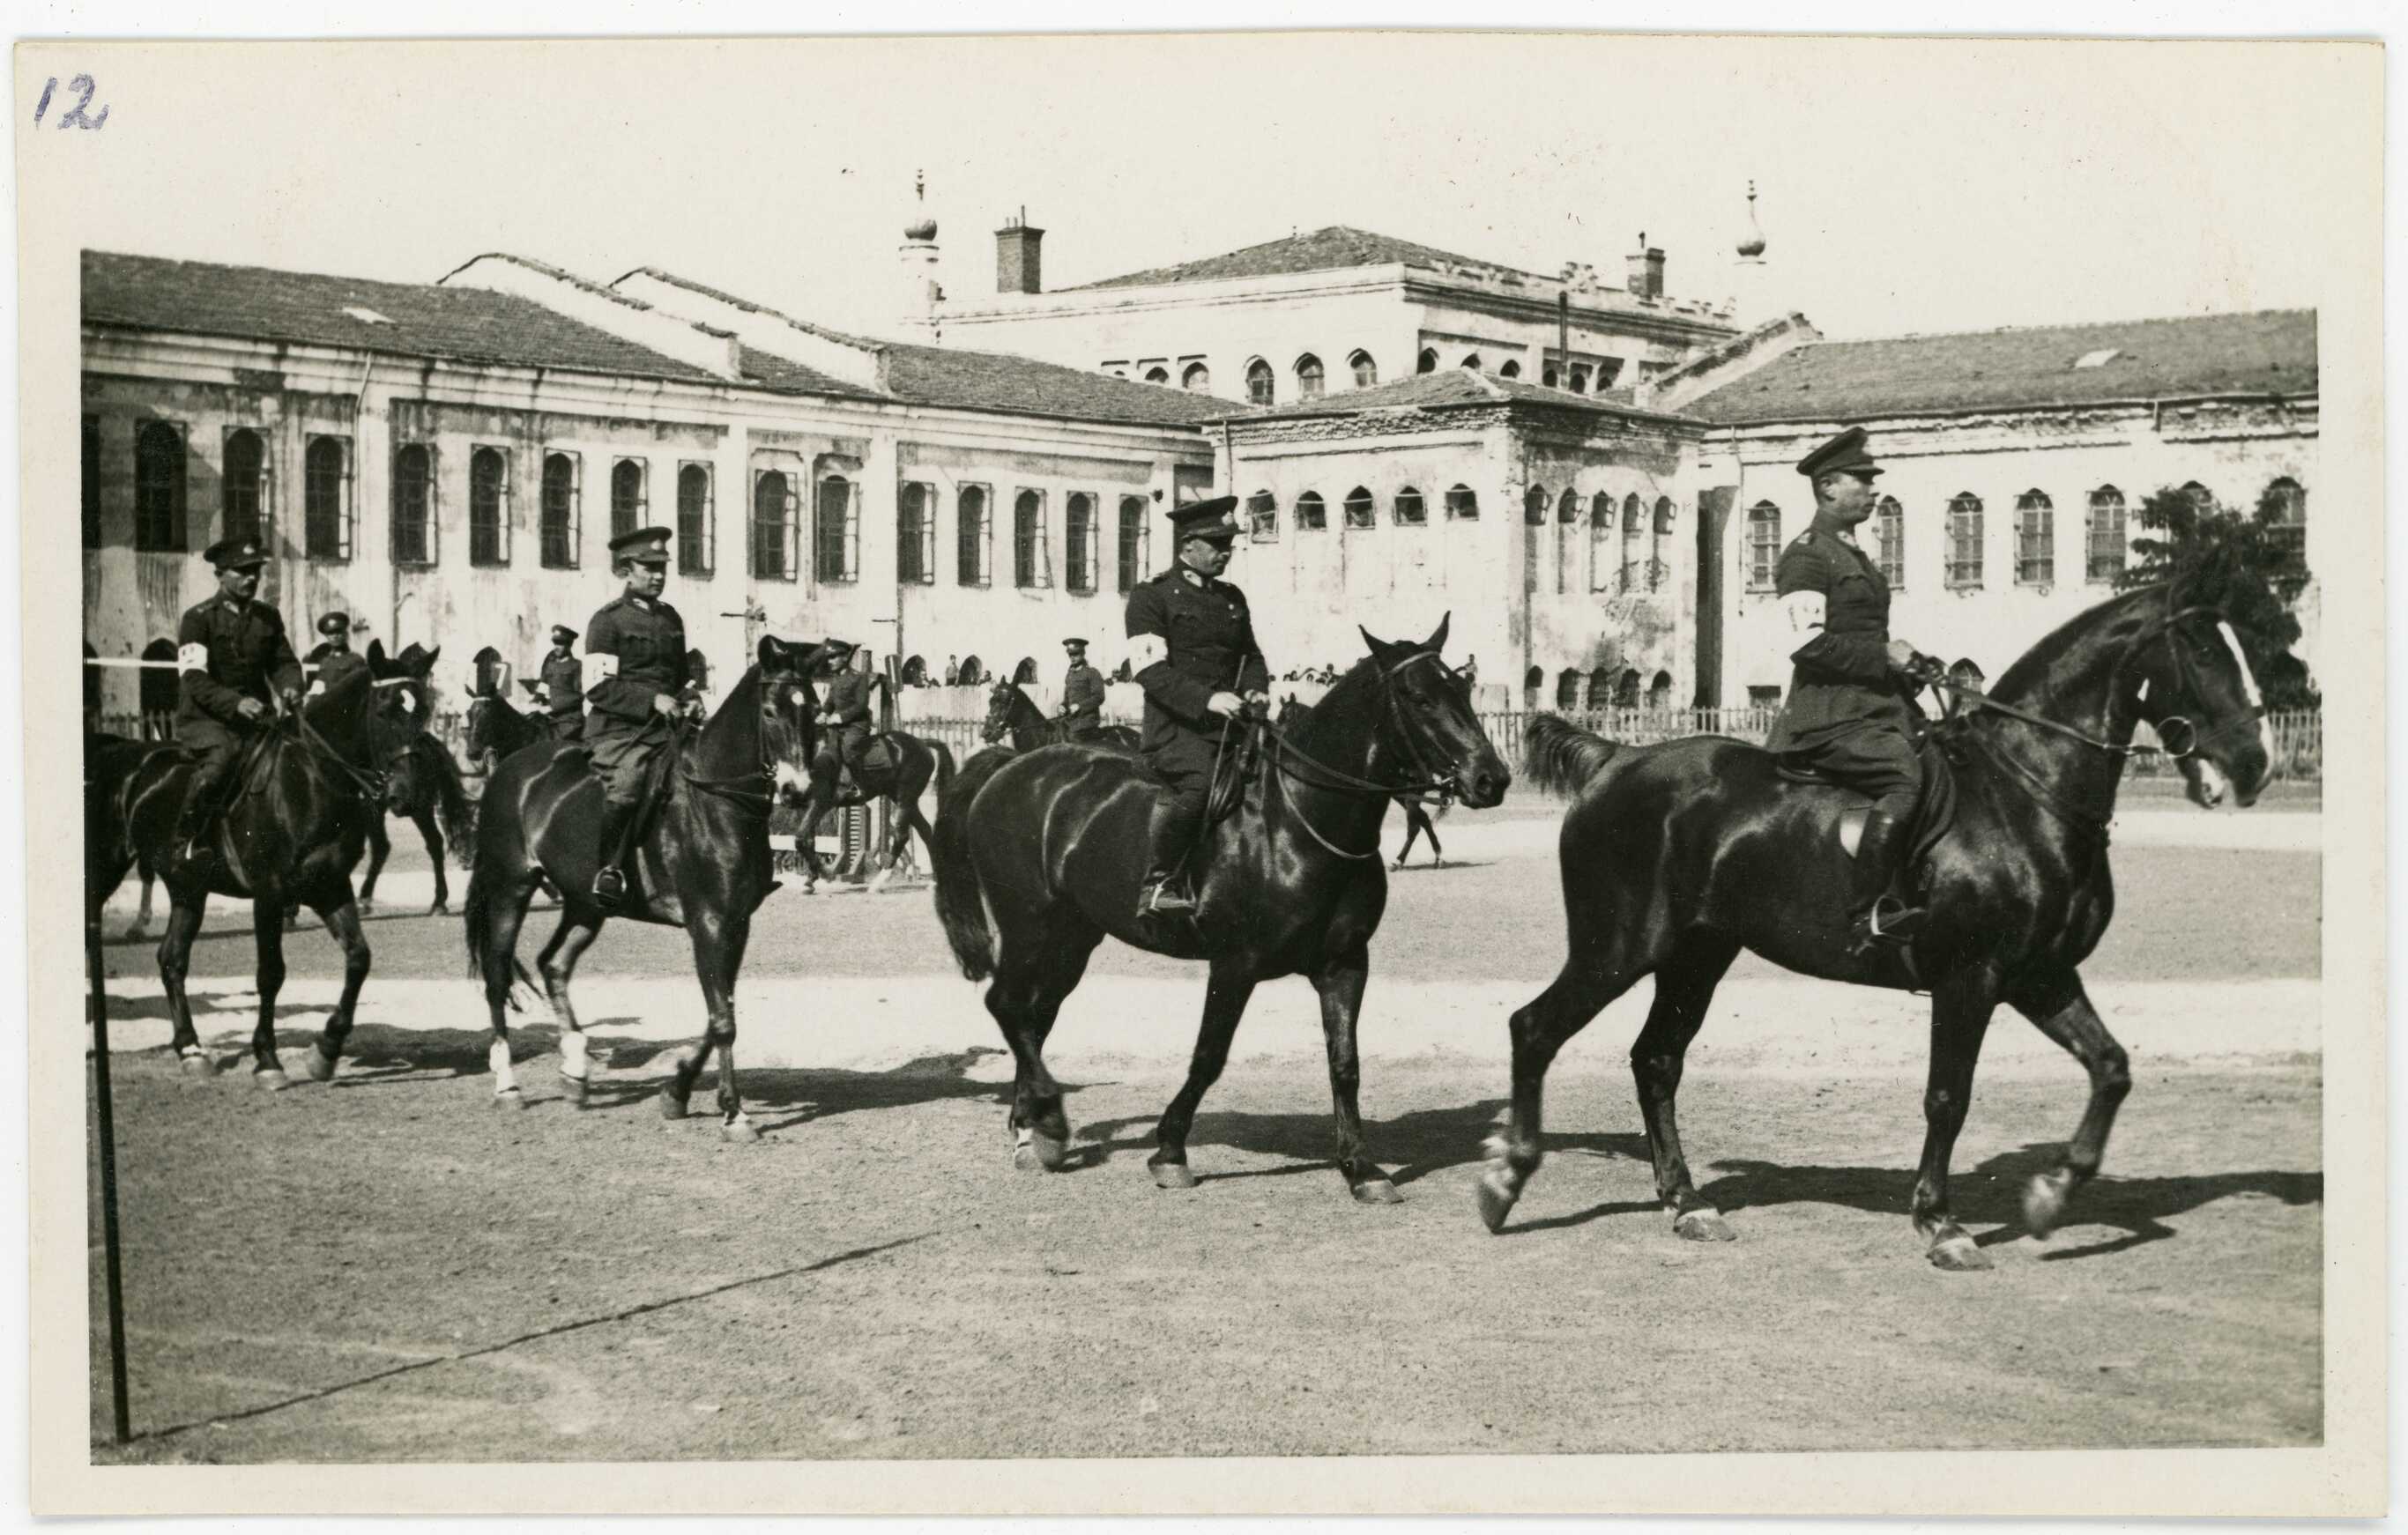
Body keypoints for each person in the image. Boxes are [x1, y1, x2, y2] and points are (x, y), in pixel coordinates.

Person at [1762, 426, 1939, 952]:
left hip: (1875, 708)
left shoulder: (1852, 553)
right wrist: (1884, 656)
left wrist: (1911, 667)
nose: (1872, 488)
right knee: (1904, 778)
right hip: (1829, 717)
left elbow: (1863, 637)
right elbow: (1807, 645)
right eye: (1860, 479)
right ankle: (1867, 916)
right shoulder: (1807, 556)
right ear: (1827, 487)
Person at [1125, 495, 1270, 917]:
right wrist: (1207, 699)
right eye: (1217, 544)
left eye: (1229, 544)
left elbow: (1251, 655)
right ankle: (1157, 884)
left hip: (1234, 724)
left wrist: (1255, 689)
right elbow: (1150, 670)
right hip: (1179, 730)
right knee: (1199, 786)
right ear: (1188, 544)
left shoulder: (1232, 597)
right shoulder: (1152, 596)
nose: (1226, 552)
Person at [583, 526, 704, 906]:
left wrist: (692, 697)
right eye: (649, 567)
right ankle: (609, 869)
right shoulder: (607, 621)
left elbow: (681, 678)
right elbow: (597, 687)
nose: (657, 576)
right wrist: (652, 700)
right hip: (620, 731)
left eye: (662, 568)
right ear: (626, 570)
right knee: (629, 783)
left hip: (669, 729)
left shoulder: (671, 619)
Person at [169, 536, 304, 863]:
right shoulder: (198, 619)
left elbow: (283, 662)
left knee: (296, 758)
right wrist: (235, 703)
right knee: (222, 762)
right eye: (242, 572)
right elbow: (194, 678)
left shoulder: (267, 617)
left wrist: (290, 685)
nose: (252, 578)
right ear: (220, 575)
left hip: (258, 718)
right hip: (208, 720)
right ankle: (185, 841)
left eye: (255, 571)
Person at [813, 641, 877, 787]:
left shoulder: (859, 677)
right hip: (836, 726)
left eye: (833, 657)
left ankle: (858, 785)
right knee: (822, 746)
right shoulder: (835, 679)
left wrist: (838, 717)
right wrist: (823, 713)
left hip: (856, 725)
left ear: (845, 657)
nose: (830, 661)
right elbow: (830, 702)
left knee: (848, 750)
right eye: (828, 658)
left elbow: (861, 705)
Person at [303, 612, 370, 697]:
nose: (335, 636)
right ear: (326, 636)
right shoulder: (325, 662)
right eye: (330, 633)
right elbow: (318, 688)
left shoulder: (356, 660)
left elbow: (361, 691)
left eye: (338, 632)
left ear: (345, 634)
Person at [539, 624, 584, 741]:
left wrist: (553, 707)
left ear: (569, 645)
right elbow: (543, 687)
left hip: (569, 720)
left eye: (560, 643)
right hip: (549, 718)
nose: (556, 647)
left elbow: (579, 696)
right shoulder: (550, 665)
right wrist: (535, 702)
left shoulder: (576, 665)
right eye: (555, 643)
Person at [1058, 636, 1106, 742]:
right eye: (1070, 655)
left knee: (1072, 741)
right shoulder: (1069, 675)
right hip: (1070, 721)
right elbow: (1067, 699)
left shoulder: (1092, 673)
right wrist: (1062, 706)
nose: (1072, 657)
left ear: (1083, 653)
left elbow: (1099, 696)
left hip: (1086, 722)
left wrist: (1080, 706)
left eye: (1076, 654)